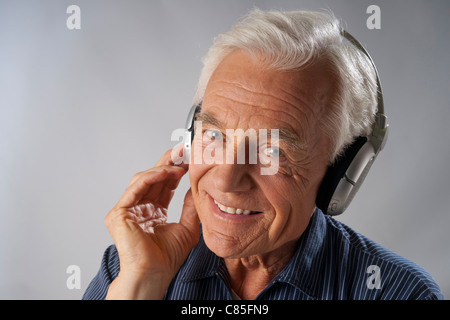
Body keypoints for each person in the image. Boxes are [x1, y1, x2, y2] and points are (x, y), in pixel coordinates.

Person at [83, 9, 443, 300]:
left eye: (273, 150)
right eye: (214, 135)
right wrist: (141, 283)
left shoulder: (398, 293)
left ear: (340, 174)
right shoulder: (135, 261)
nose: (225, 178)